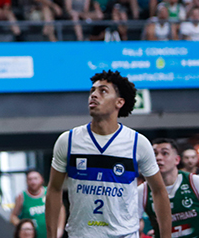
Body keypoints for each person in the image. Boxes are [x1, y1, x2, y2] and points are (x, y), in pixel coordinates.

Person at [44, 70, 171, 238]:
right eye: (92, 91)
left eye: (102, 91)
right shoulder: (68, 140)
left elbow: (159, 191)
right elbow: (54, 189)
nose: (94, 95)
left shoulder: (137, 143)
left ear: (119, 102)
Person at [141, 139, 199, 238]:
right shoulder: (143, 190)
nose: (158, 158)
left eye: (165, 153)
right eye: (154, 154)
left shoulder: (196, 181)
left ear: (177, 160)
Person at [10, 171, 52, 238]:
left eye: (35, 178)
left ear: (41, 180)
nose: (33, 182)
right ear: (26, 181)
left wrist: (60, 229)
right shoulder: (22, 196)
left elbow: (61, 210)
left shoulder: (49, 193)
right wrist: (24, 228)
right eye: (30, 179)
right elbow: (13, 216)